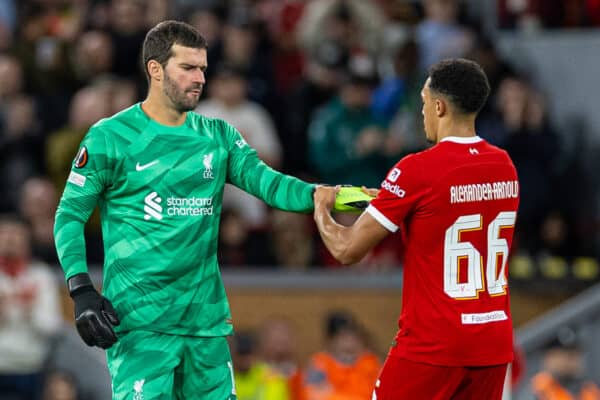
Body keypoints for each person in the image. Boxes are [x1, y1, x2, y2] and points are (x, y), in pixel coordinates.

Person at [53, 20, 318, 400]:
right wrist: (80, 290)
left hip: (205, 327)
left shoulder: (218, 135)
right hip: (141, 326)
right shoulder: (110, 137)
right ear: (155, 69)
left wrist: (327, 195)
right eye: (188, 68)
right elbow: (68, 217)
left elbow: (272, 185)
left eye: (203, 69)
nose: (200, 79)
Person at [313, 58, 520, 399]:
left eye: (423, 103)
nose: (421, 113)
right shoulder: (504, 165)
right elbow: (453, 206)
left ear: (439, 106)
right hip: (492, 341)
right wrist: (389, 201)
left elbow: (346, 249)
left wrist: (322, 207)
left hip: (433, 346)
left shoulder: (417, 169)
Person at [302, 311, 381, 400]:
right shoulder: (319, 365)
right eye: (343, 337)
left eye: (353, 337)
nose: (349, 344)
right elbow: (315, 396)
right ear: (330, 341)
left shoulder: (371, 364)